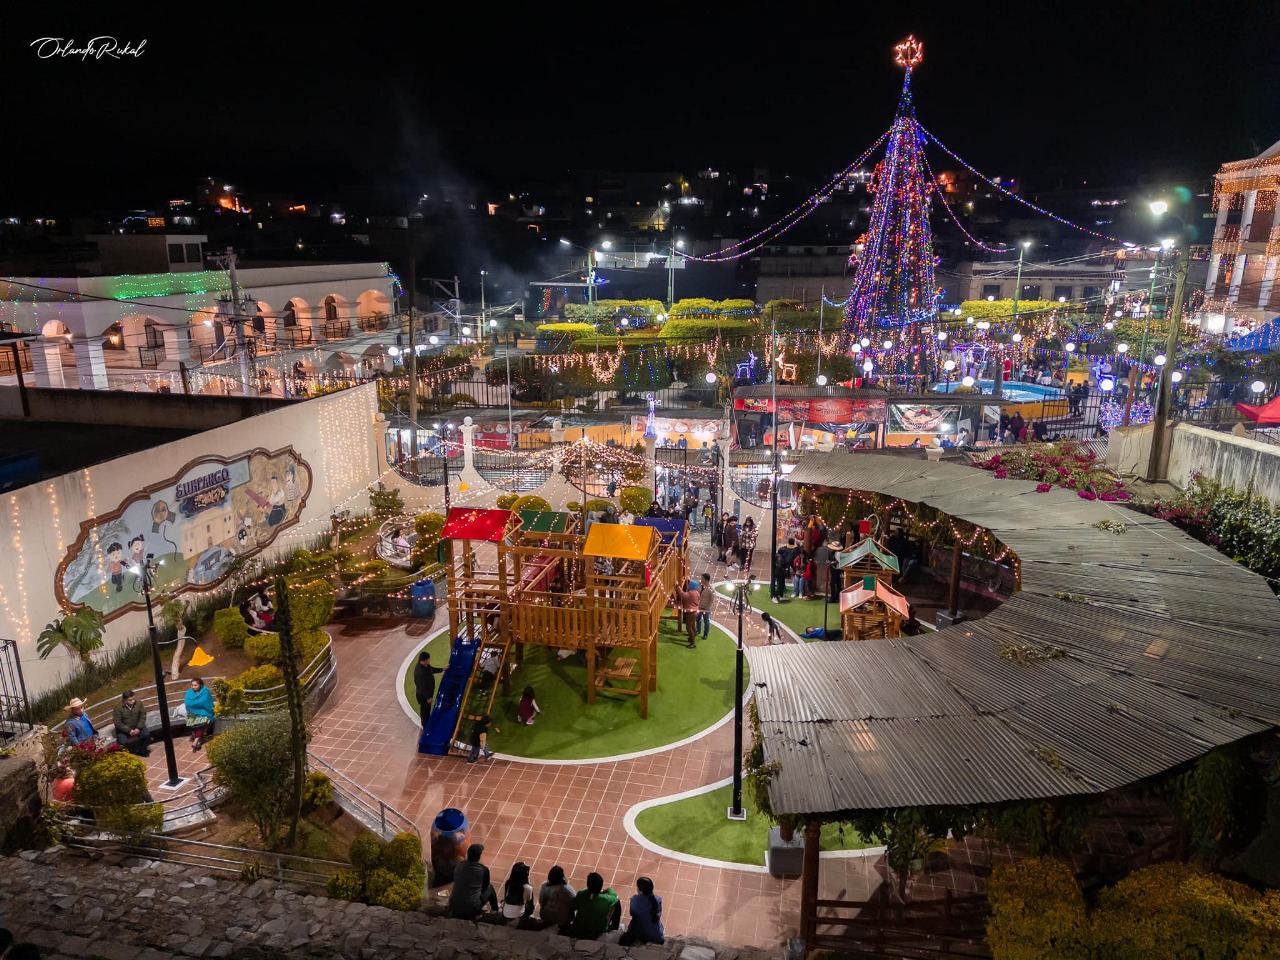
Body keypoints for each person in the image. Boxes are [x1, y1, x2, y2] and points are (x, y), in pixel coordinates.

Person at [449, 844, 500, 919]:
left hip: (453, 905)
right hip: (471, 909)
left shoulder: (459, 865)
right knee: (490, 888)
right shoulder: (483, 870)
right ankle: (495, 910)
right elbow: (485, 888)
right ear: (479, 856)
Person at [566, 872, 621, 941]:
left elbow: (575, 906)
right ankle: (614, 929)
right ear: (601, 886)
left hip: (579, 926)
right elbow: (615, 897)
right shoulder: (606, 900)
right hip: (598, 929)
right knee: (617, 903)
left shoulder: (581, 894)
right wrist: (608, 890)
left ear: (588, 885)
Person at [618, 877, 664, 946]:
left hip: (642, 934)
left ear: (640, 891)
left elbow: (632, 913)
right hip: (657, 935)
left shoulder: (634, 900)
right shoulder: (657, 900)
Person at [112, 690, 150, 757]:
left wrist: (138, 728)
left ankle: (142, 750)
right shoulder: (118, 708)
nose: (133, 701)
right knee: (122, 742)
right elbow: (117, 722)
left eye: (134, 699)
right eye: (130, 700)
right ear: (125, 700)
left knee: (146, 735)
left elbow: (143, 716)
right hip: (123, 730)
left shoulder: (139, 704)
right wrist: (128, 730)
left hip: (137, 726)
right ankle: (129, 754)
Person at [539, 866, 577, 931]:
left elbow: (541, 902)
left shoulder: (544, 886)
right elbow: (574, 905)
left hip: (546, 916)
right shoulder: (568, 889)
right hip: (564, 920)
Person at [414, 650, 444, 729]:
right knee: (425, 711)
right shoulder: (420, 672)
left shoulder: (426, 666)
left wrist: (442, 669)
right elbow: (422, 686)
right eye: (428, 660)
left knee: (427, 710)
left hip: (425, 694)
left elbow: (432, 669)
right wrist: (428, 697)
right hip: (423, 696)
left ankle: (427, 724)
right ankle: (425, 727)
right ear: (423, 661)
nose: (429, 661)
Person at [184, 677, 215, 752]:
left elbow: (205, 702)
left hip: (204, 712)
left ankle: (195, 742)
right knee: (194, 725)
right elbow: (188, 703)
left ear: (200, 685)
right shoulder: (189, 692)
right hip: (192, 712)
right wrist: (196, 706)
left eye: (195, 685)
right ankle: (198, 741)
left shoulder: (205, 691)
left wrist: (198, 705)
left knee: (200, 725)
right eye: (192, 685)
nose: (193, 687)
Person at [675, 579, 700, 649]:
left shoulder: (690, 593)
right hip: (696, 611)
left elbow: (682, 594)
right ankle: (693, 636)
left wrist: (677, 586)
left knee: (688, 627)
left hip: (690, 612)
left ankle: (693, 643)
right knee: (692, 625)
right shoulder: (697, 593)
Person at [772, 537, 799, 603]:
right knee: (780, 584)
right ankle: (774, 596)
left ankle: (780, 595)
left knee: (782, 584)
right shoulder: (780, 558)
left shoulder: (782, 551)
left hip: (782, 570)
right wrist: (785, 569)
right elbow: (780, 566)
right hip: (779, 571)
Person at [696, 572, 714, 641]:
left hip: (705, 607)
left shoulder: (710, 589)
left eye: (702, 578)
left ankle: (705, 634)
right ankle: (698, 630)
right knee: (697, 619)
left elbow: (711, 600)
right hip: (698, 606)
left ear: (706, 580)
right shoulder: (699, 585)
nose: (701, 580)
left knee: (706, 621)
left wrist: (706, 608)